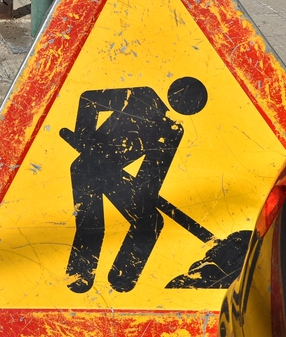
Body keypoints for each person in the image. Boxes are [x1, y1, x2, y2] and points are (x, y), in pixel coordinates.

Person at [59, 77, 208, 294]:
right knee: (92, 225)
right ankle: (79, 275)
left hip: (113, 176)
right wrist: (85, 137)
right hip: (87, 168)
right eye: (184, 96)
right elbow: (89, 99)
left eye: (191, 101)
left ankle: (121, 278)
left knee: (150, 221)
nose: (184, 102)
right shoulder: (140, 97)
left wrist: (145, 194)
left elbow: (152, 175)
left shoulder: (172, 131)